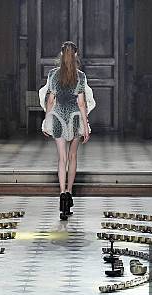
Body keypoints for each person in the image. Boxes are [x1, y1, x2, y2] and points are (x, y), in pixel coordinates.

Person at [42, 41, 91, 220]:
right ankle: (69, 192)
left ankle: (62, 192)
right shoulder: (80, 76)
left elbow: (50, 100)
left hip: (58, 118)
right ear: (76, 55)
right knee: (73, 157)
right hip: (75, 119)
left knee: (61, 158)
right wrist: (86, 126)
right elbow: (81, 103)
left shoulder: (53, 75)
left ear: (61, 54)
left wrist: (47, 121)